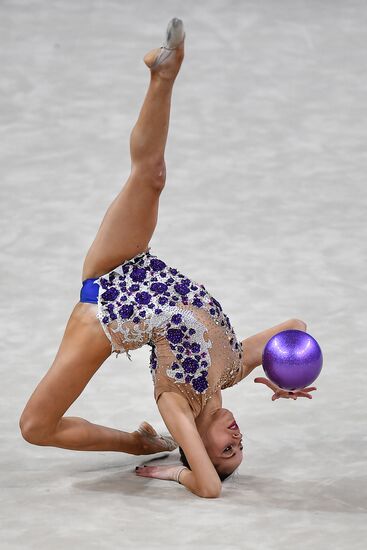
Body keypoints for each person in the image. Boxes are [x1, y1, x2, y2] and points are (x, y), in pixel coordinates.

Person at [19, 18, 316, 498]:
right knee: (151, 175)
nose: (236, 438)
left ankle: (136, 446)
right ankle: (164, 73)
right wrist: (284, 370)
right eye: (240, 446)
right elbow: (296, 328)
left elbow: (209, 489)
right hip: (131, 263)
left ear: (193, 442)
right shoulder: (233, 367)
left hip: (101, 315)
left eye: (225, 450)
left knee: (35, 426)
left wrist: (172, 470)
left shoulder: (176, 405)